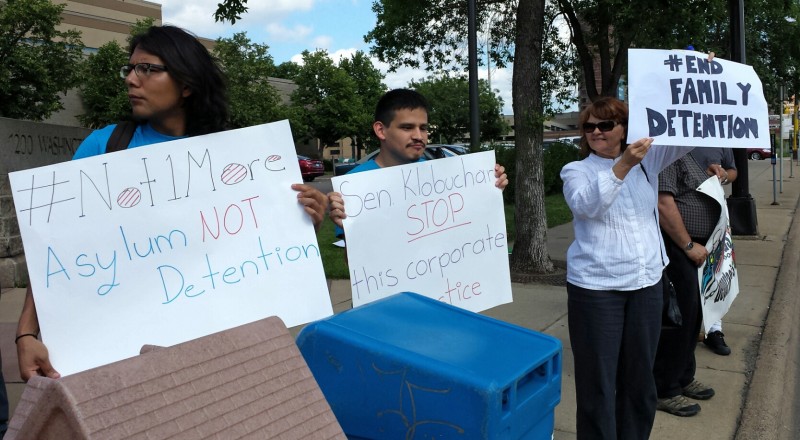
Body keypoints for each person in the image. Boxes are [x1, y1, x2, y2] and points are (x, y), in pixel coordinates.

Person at [15, 25, 328, 381]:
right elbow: (54, 252)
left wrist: (304, 222)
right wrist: (26, 332)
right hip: (119, 358)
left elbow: (258, 256)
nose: (131, 80)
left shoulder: (235, 159)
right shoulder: (104, 147)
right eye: (129, 69)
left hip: (215, 355)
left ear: (187, 84)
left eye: (147, 69)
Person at [560, 97, 691, 439]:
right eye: (589, 127)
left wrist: (697, 81)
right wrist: (622, 167)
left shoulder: (649, 161)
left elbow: (688, 133)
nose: (596, 132)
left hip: (647, 285)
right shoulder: (577, 171)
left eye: (606, 125)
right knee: (598, 382)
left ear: (624, 128)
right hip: (597, 291)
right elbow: (587, 205)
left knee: (639, 378)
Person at [328, 88, 508, 232]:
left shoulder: (444, 178)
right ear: (381, 130)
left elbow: (467, 227)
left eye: (423, 128)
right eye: (407, 127)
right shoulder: (352, 187)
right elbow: (353, 266)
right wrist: (351, 232)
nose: (418, 136)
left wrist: (489, 189)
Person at [653, 149, 729, 417]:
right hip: (680, 246)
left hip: (701, 247)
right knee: (679, 317)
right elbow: (664, 203)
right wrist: (686, 245)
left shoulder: (691, 155)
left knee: (695, 314)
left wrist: (714, 176)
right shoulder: (668, 155)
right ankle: (665, 387)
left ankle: (684, 376)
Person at [687, 147, 737, 356]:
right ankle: (685, 332)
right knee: (685, 283)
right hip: (680, 220)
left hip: (714, 219)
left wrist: (724, 175)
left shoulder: (717, 135)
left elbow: (733, 171)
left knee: (716, 274)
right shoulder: (671, 133)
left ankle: (714, 330)